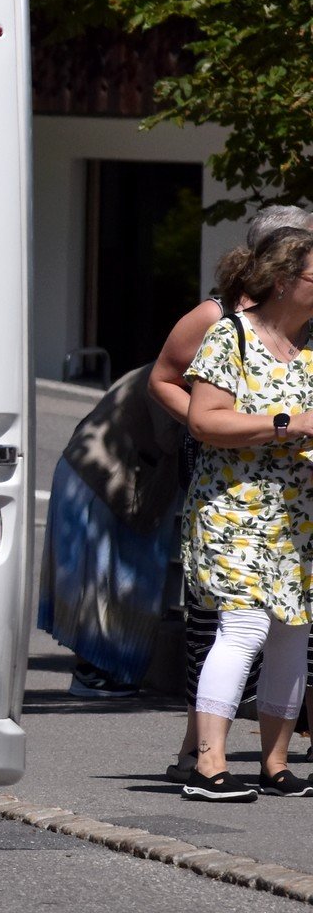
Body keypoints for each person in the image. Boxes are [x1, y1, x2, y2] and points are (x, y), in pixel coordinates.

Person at [150, 204, 313, 777]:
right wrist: (284, 424)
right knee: (242, 628)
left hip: (297, 515)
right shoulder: (228, 333)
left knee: (292, 631)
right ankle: (207, 763)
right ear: (284, 279)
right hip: (234, 506)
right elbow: (203, 417)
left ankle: (276, 765)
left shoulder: (309, 346)